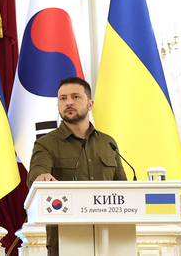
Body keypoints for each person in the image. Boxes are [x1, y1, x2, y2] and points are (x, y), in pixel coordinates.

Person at [28, 77, 127, 256]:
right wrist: (41, 177)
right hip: (66, 240)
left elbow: (123, 187)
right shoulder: (46, 144)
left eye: (75, 97)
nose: (69, 102)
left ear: (90, 104)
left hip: (112, 239)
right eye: (63, 98)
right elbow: (37, 172)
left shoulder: (108, 143)